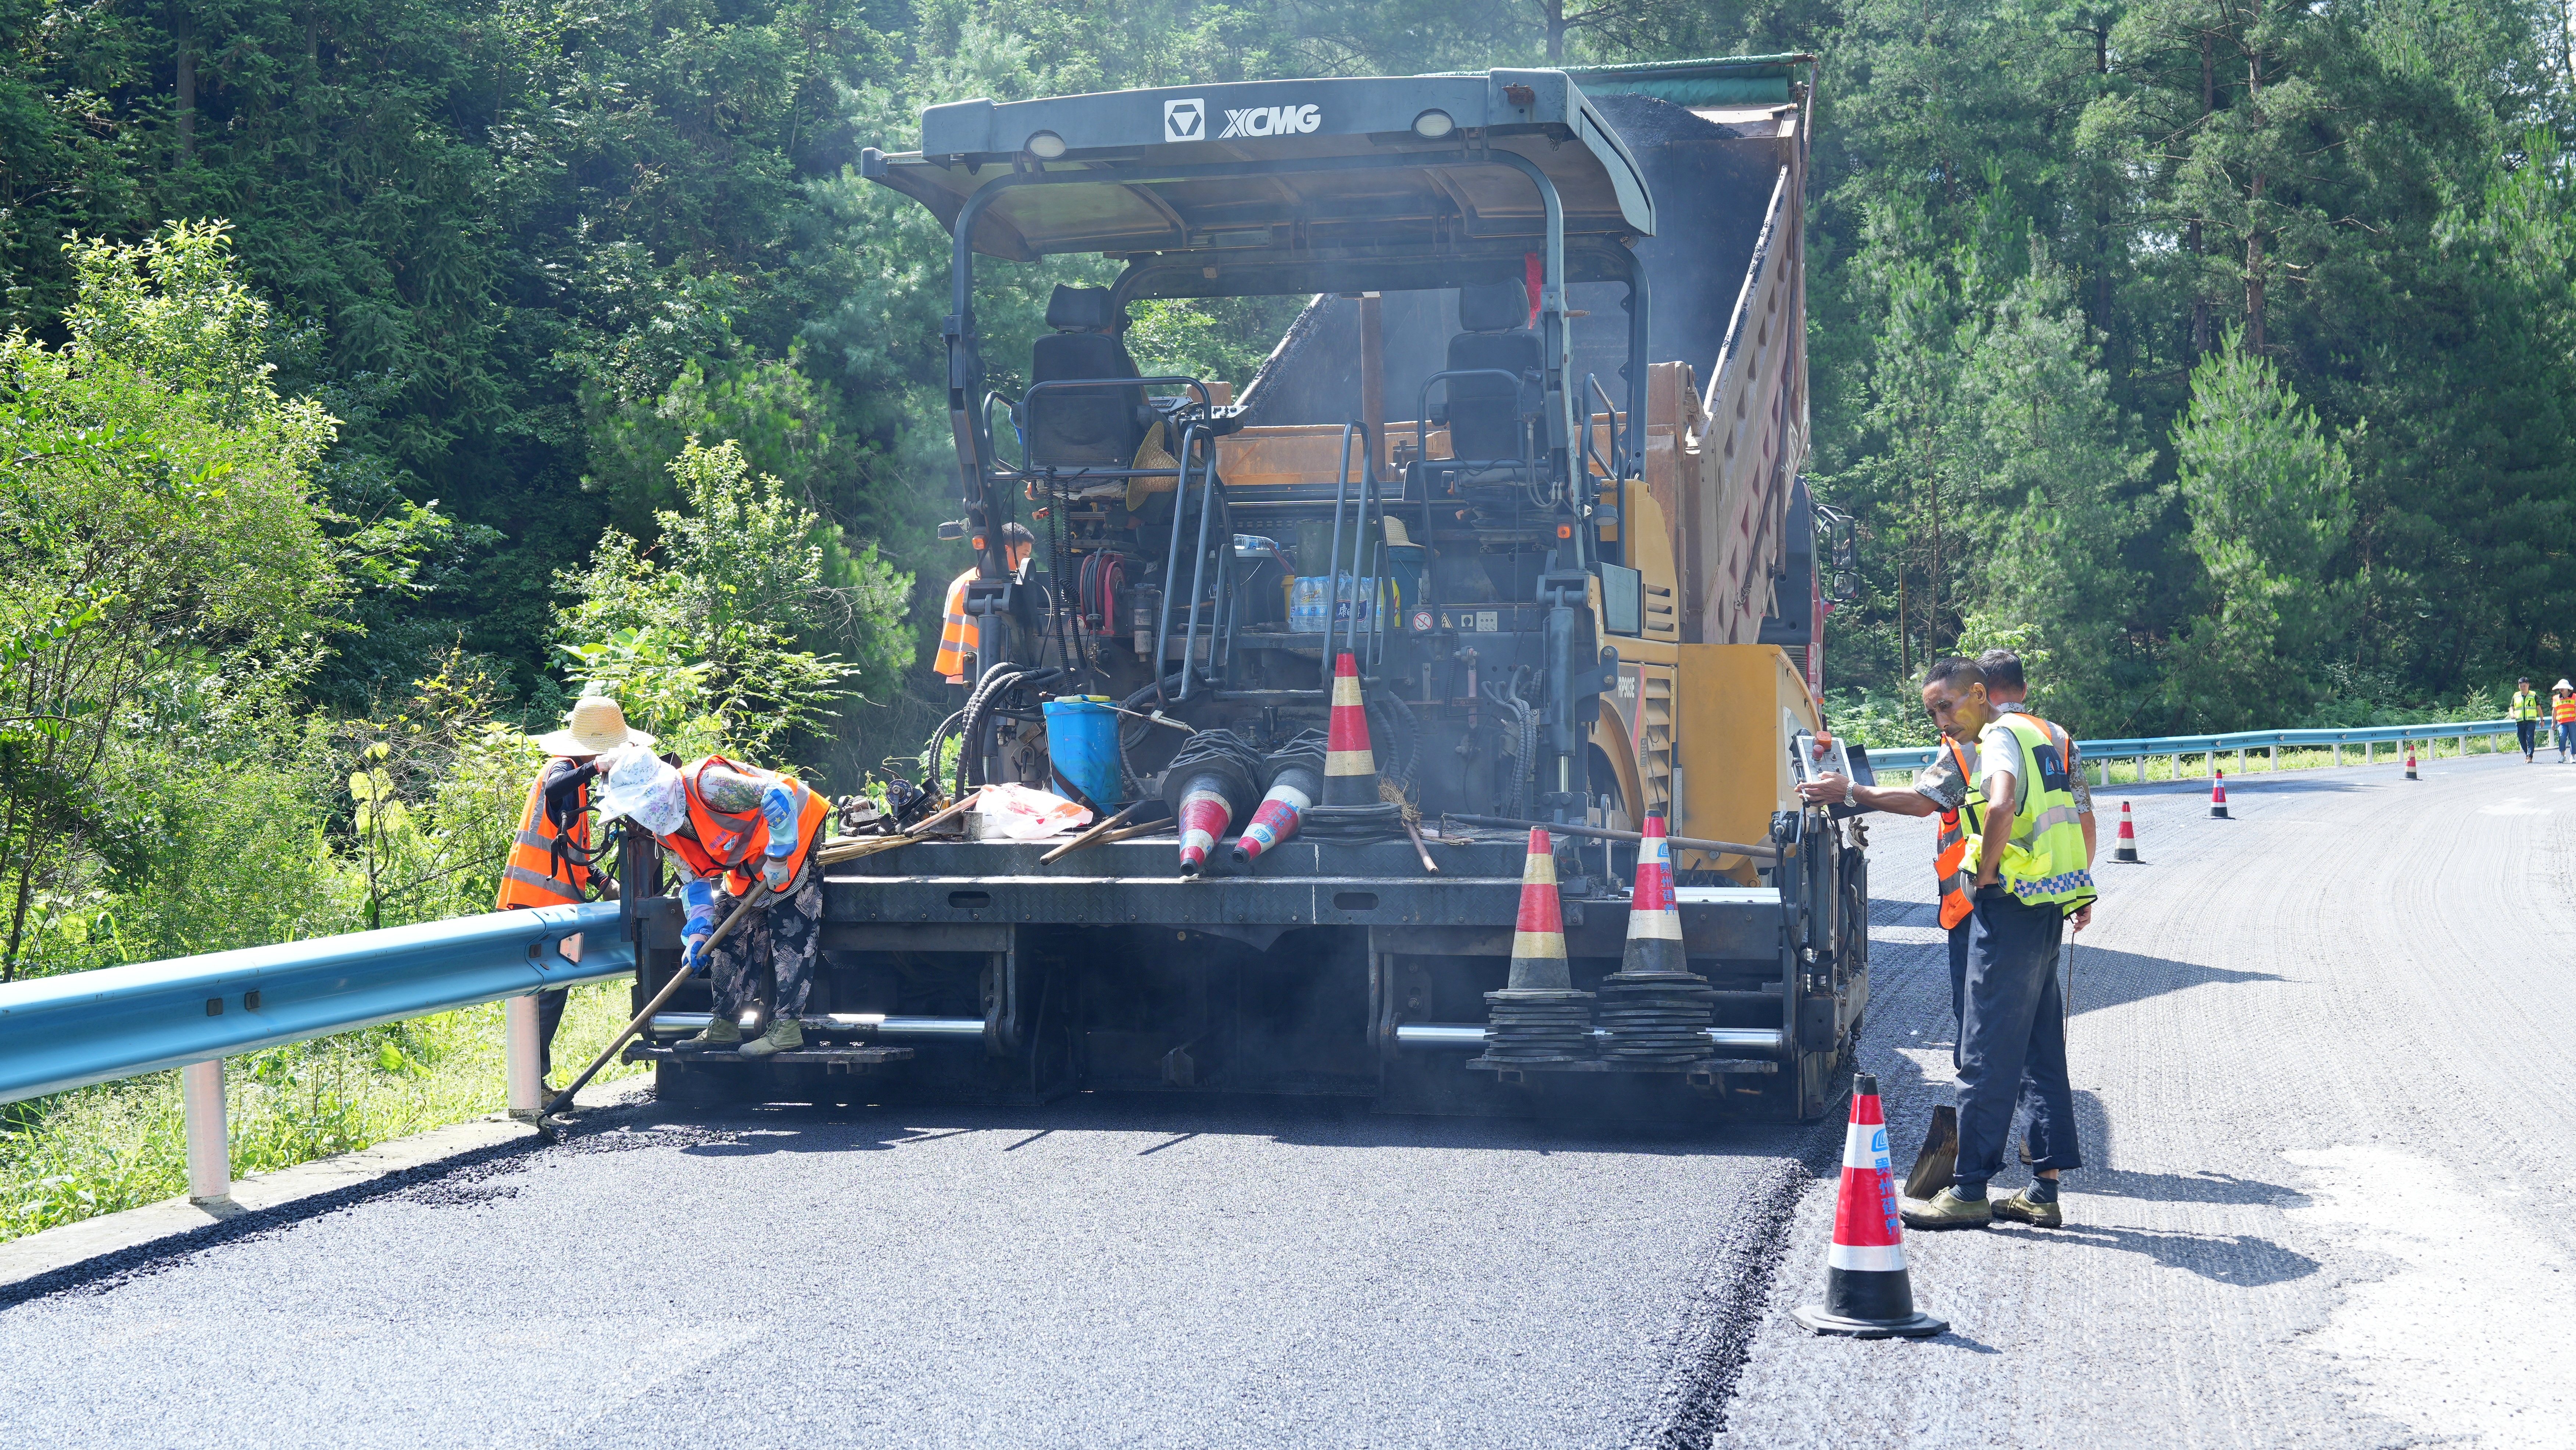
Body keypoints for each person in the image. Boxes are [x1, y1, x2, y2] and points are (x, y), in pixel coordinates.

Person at [1904, 658, 2094, 1232]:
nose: (1942, 720)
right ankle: (2042, 1189)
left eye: (1946, 706)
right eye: (1933, 711)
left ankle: (1968, 1189)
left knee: (1984, 1044)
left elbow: (2003, 803)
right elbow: (2080, 816)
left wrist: (1985, 870)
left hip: (2007, 901)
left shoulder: (1999, 738)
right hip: (2048, 902)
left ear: (1983, 694)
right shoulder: (2052, 735)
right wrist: (2080, 886)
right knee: (2041, 1046)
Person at [596, 747, 830, 1058]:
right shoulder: (666, 829)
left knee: (791, 923)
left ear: (656, 792)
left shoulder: (709, 786)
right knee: (728, 928)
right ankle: (724, 1024)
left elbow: (779, 795)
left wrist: (778, 855)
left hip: (793, 831)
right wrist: (697, 934)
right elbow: (693, 882)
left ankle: (787, 1029)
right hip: (751, 858)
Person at [494, 695, 652, 1084]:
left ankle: (535, 1081)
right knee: (546, 996)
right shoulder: (563, 770)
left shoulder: (578, 784)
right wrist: (597, 767)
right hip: (537, 905)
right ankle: (532, 1084)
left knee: (553, 992)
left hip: (559, 909)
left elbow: (570, 850)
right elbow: (554, 789)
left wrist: (601, 881)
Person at [934, 522, 1036, 694]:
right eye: (1024, 555)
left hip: (954, 675)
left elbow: (947, 625)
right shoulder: (994, 586)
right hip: (980, 676)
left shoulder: (959, 582)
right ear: (1005, 550)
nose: (1023, 564)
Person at [2511, 678, 2542, 762]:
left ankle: (2530, 757)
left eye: (2524, 686)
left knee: (2530, 739)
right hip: (2520, 721)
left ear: (2528, 685)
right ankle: (2527, 754)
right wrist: (2512, 714)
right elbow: (2512, 707)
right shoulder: (2516, 696)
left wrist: (2542, 720)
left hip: (2530, 721)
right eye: (2521, 686)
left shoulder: (2534, 695)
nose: (2523, 688)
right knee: (2521, 739)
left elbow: (2539, 708)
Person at [2554, 679, 2575, 764]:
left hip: (2573, 721)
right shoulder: (2556, 698)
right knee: (2562, 737)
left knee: (2574, 739)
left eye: (2563, 687)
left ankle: (2573, 756)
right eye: (2560, 688)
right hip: (2561, 722)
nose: (2561, 689)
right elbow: (2555, 711)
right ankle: (2563, 756)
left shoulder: (2574, 697)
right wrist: (2553, 722)